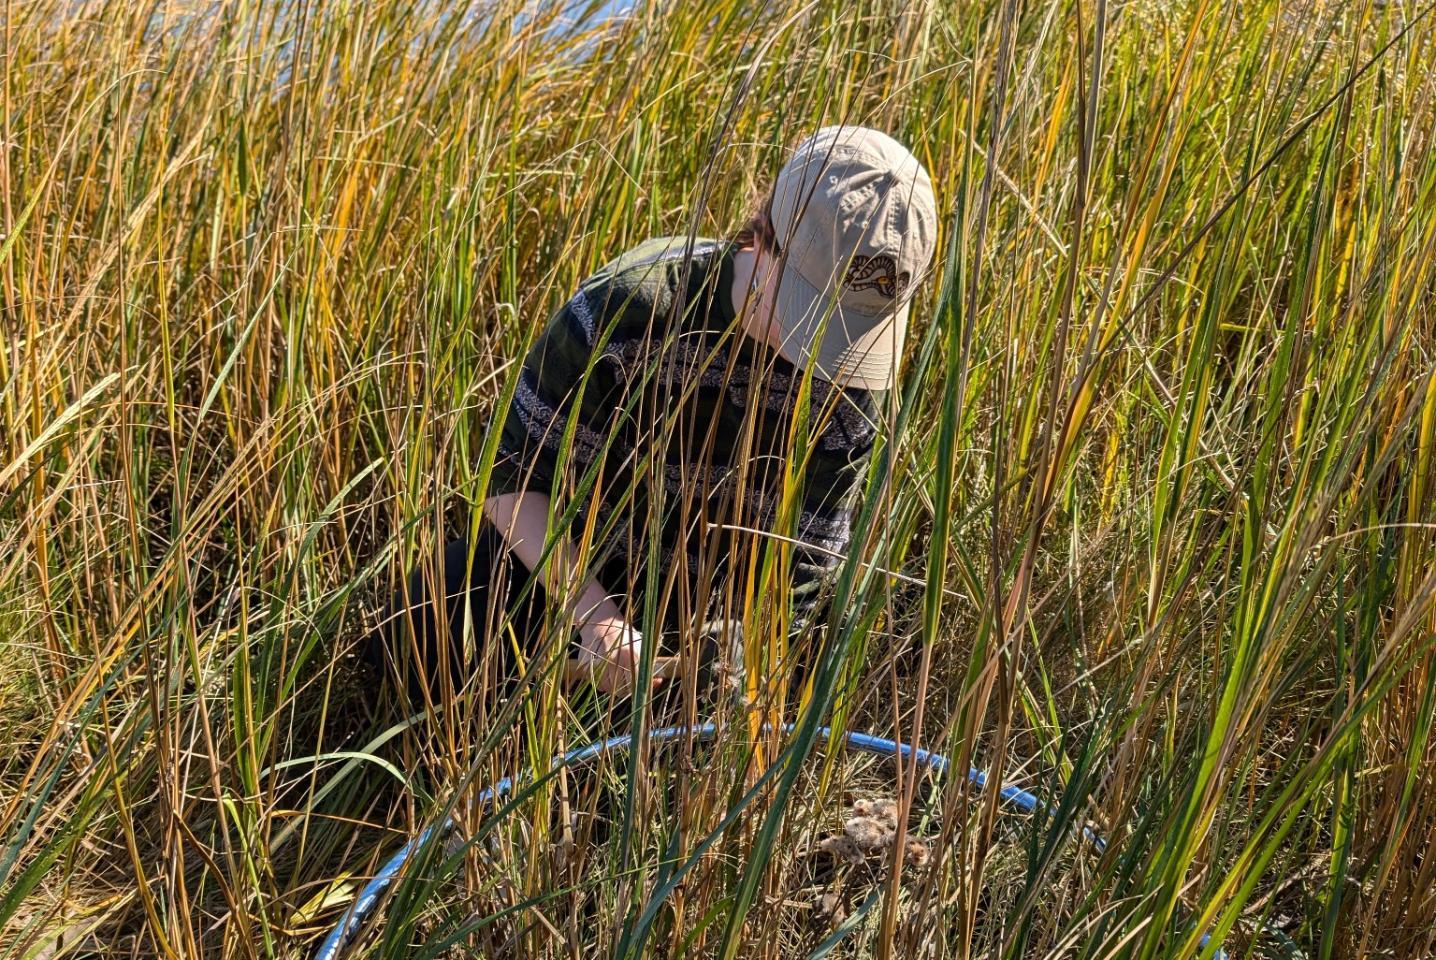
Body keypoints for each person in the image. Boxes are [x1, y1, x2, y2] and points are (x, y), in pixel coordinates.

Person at [364, 125, 937, 720]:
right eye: (808, 313)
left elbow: (805, 569)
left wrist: (736, 660)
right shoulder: (628, 308)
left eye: (845, 330)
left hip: (712, 620)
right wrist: (598, 623)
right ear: (764, 238)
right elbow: (511, 482)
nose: (814, 355)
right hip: (567, 569)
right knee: (418, 629)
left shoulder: (853, 387)